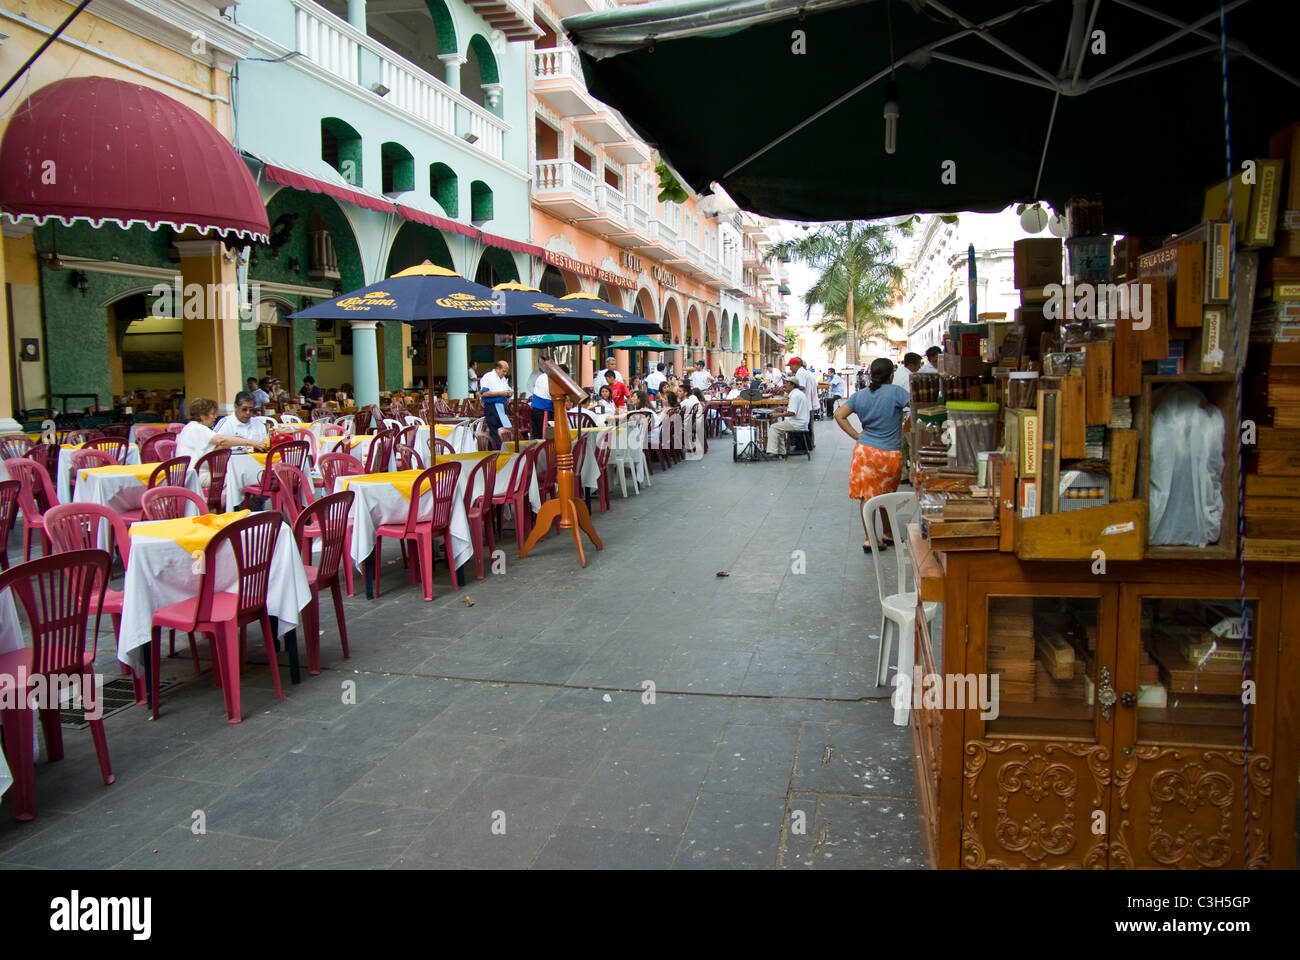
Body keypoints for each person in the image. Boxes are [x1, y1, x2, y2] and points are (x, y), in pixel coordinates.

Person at [836, 357, 910, 551]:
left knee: (867, 497)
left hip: (865, 452)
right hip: (889, 454)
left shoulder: (859, 396)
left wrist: (857, 435)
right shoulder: (897, 392)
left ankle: (870, 539)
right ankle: (888, 533)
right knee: (887, 494)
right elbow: (918, 407)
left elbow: (839, 415)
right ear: (891, 375)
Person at [176, 397, 253, 467]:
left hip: (190, 471)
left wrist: (225, 445)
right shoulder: (197, 428)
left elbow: (205, 452)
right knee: (231, 474)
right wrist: (252, 443)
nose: (215, 417)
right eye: (212, 414)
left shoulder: (191, 426)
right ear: (202, 416)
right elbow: (221, 440)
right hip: (194, 473)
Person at [765, 375, 812, 459]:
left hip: (797, 423)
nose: (784, 385)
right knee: (778, 428)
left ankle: (772, 451)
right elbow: (795, 409)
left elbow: (792, 413)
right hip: (800, 421)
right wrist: (783, 408)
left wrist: (777, 415)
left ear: (792, 385)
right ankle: (781, 452)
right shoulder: (797, 393)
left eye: (786, 383)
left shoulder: (795, 395)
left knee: (774, 427)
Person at [786, 356, 818, 448]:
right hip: (807, 403)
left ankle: (804, 445)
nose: (790, 368)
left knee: (805, 425)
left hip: (805, 404)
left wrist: (790, 389)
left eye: (791, 366)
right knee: (808, 426)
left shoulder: (800, 373)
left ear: (796, 365)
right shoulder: (803, 372)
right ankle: (808, 445)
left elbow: (802, 386)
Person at [478, 360, 512, 445]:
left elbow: (506, 390)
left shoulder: (503, 379)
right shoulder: (488, 377)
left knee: (503, 429)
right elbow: (484, 393)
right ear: (497, 369)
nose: (505, 373)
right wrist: (501, 393)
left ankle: (499, 447)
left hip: (502, 406)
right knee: (495, 430)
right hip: (492, 406)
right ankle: (496, 449)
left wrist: (508, 393)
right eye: (504, 371)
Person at [678, 384, 705, 461]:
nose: (678, 393)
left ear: (685, 393)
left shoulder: (683, 403)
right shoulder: (692, 399)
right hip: (696, 422)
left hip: (691, 425)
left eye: (680, 391)